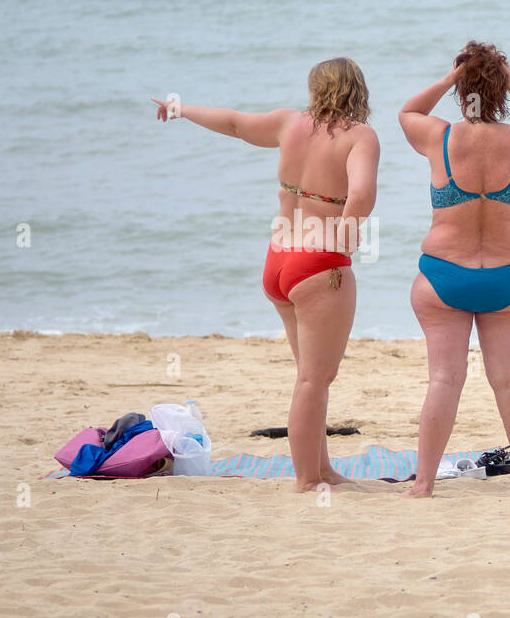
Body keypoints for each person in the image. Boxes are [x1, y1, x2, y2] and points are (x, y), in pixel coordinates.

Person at [151, 58, 380, 492]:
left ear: (316, 89)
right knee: (314, 379)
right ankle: (307, 480)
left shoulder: (287, 123)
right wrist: (348, 236)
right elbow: (363, 194)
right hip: (317, 263)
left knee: (309, 377)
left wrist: (181, 109)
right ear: (357, 90)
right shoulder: (361, 136)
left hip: (278, 261)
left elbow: (235, 123)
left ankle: (323, 468)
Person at [397, 41, 510, 498]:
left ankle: (423, 484)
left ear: (461, 87)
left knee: (444, 380)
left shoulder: (439, 137)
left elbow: (407, 112)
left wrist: (450, 78)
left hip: (445, 275)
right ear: (502, 90)